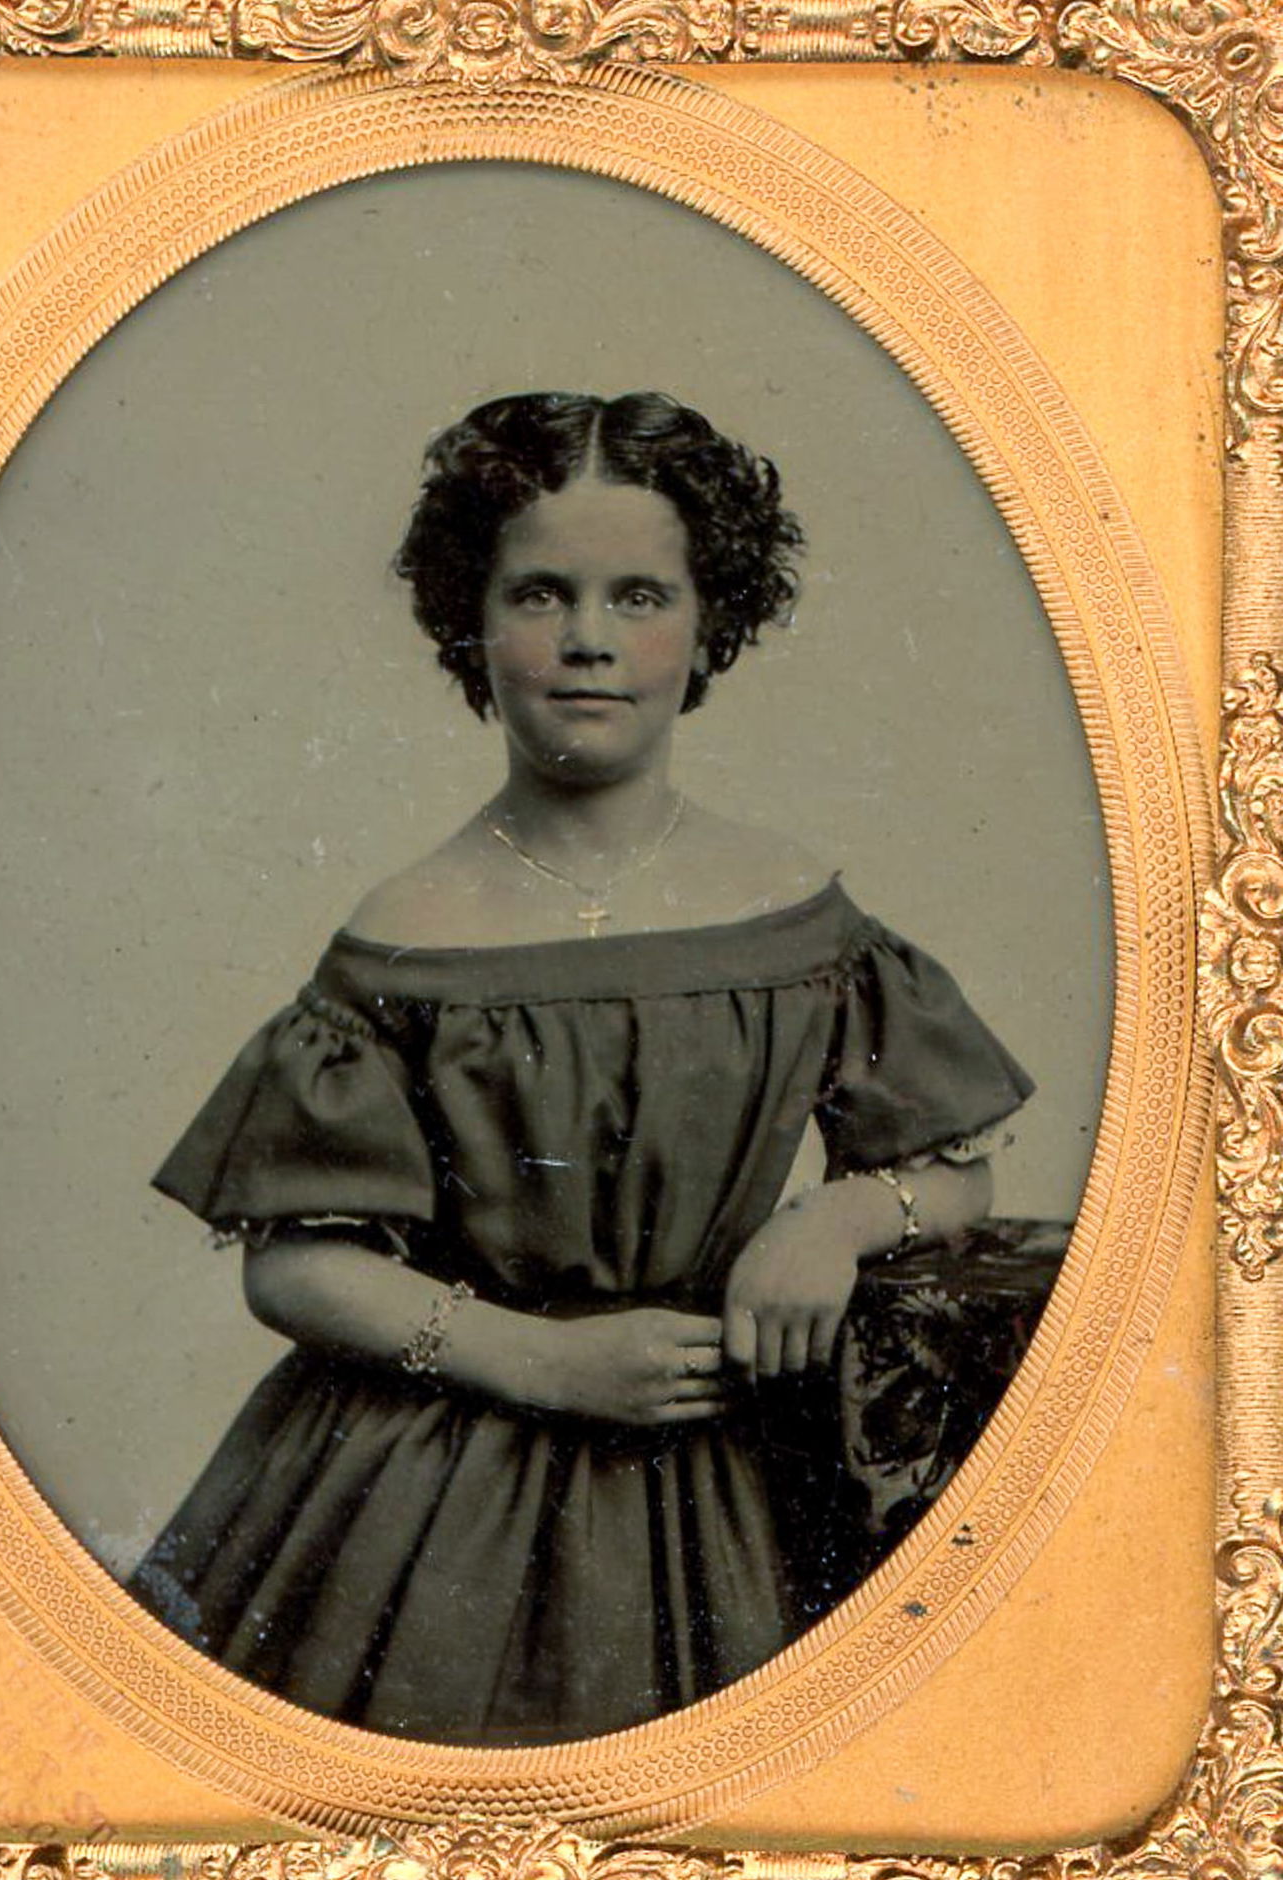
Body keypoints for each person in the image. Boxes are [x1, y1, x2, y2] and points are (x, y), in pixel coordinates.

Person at [129, 391, 1033, 1745]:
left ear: (706, 622)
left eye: (639, 596)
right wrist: (535, 1364)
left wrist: (835, 1220)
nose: (591, 640)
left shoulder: (790, 910)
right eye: (542, 594)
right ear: (472, 625)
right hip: (438, 1490)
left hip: (742, 1467)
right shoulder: (405, 936)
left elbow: (953, 1172)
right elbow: (291, 1260)